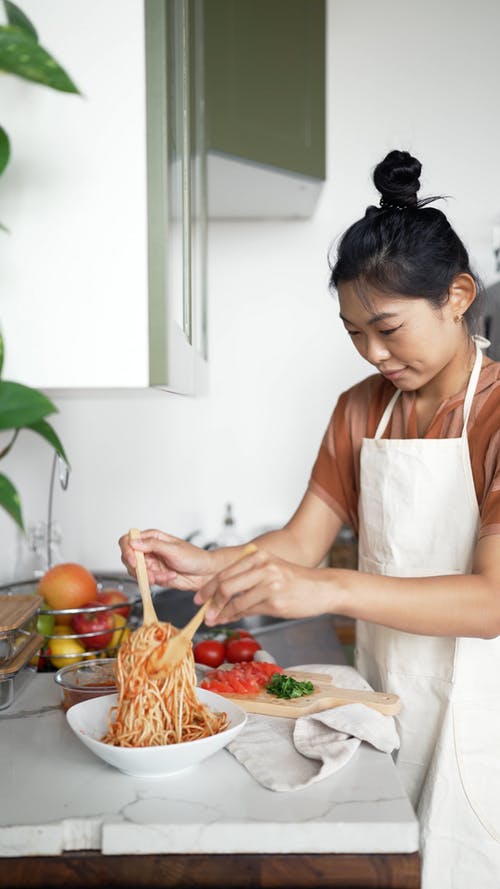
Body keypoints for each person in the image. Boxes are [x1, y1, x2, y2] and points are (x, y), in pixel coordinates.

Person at [120, 150, 500, 888]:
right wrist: (207, 563)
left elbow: (491, 604)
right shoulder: (360, 408)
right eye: (354, 332)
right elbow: (302, 541)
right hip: (385, 702)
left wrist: (325, 588)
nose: (373, 353)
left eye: (387, 327)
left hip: (485, 718)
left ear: (457, 296)